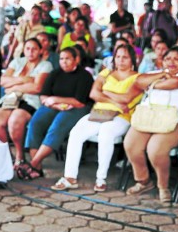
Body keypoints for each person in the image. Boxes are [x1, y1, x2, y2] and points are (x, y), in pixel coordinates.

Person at [51, 44, 143, 192]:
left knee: (106, 132)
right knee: (76, 133)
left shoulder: (138, 78)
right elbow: (93, 94)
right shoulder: (107, 72)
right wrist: (114, 101)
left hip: (121, 116)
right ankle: (70, 178)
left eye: (125, 57)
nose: (120, 60)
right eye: (118, 56)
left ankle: (101, 178)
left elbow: (126, 99)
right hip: (100, 112)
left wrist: (105, 94)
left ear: (133, 58)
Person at [123, 46, 178, 203]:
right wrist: (161, 75)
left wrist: (152, 84)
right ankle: (143, 181)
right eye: (168, 59)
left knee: (155, 149)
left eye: (176, 59)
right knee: (131, 144)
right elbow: (138, 81)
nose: (171, 62)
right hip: (150, 117)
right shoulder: (155, 73)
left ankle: (163, 187)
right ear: (162, 60)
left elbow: (176, 83)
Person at [18, 47, 94, 180]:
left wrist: (55, 100)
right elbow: (43, 95)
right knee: (35, 123)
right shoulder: (55, 73)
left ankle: (32, 164)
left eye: (68, 59)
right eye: (62, 59)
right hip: (54, 105)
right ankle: (37, 168)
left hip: (77, 108)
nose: (64, 62)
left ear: (76, 60)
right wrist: (54, 103)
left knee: (58, 125)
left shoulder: (85, 76)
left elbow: (80, 101)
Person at [0, 38, 52, 170]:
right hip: (10, 99)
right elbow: (3, 81)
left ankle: (20, 155)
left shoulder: (45, 65)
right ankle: (5, 155)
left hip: (30, 100)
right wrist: (26, 80)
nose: (30, 52)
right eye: (27, 48)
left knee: (15, 120)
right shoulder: (17, 61)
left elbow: (37, 88)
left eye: (34, 49)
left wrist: (14, 85)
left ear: (40, 51)